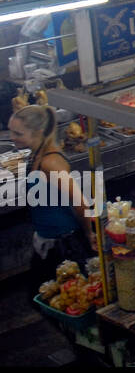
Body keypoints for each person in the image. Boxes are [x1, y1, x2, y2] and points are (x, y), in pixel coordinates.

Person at [9, 105, 95, 287]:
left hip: (65, 245)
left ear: (38, 132)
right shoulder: (35, 155)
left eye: (18, 133)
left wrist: (88, 234)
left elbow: (80, 203)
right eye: (11, 131)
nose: (12, 137)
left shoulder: (51, 163)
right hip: (47, 240)